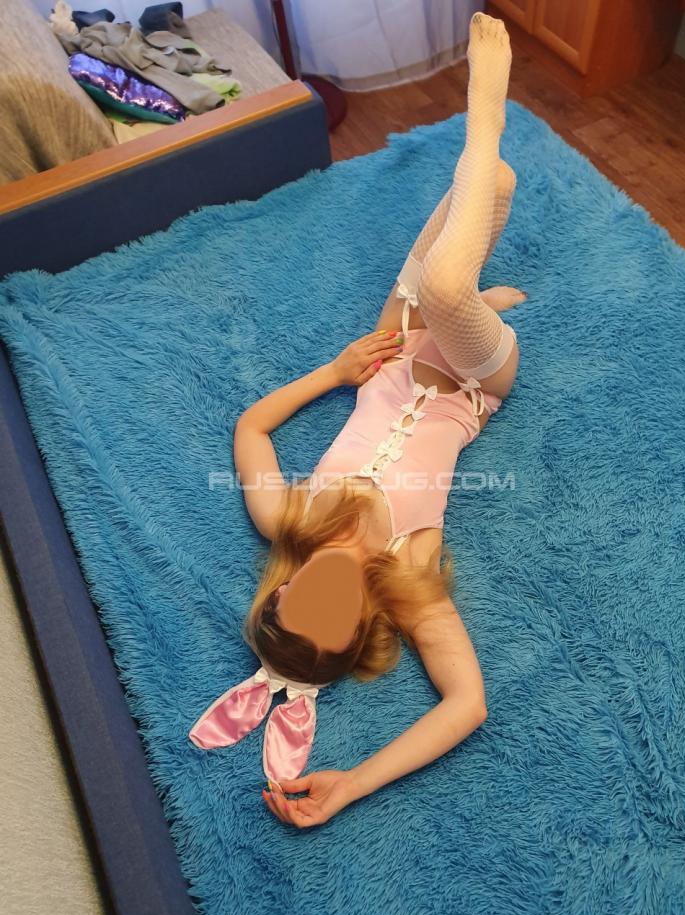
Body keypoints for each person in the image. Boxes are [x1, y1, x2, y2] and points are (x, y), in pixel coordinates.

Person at [233, 13, 524, 827]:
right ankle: (485, 117)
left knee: (494, 189)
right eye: (336, 621)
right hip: (474, 382)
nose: (323, 592)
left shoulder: (287, 518)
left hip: (390, 342)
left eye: (300, 601)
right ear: (362, 630)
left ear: (281, 589)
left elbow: (250, 430)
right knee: (447, 283)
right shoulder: (408, 582)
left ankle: (469, 291)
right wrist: (353, 782)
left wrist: (332, 373)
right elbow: (465, 703)